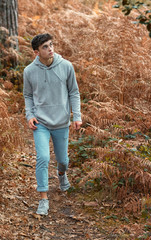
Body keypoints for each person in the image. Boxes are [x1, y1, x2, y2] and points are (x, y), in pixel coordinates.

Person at [23, 33, 82, 215]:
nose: (50, 49)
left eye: (51, 45)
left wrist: (76, 116)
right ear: (36, 52)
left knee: (62, 161)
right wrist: (29, 115)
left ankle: (62, 175)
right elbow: (28, 95)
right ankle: (43, 199)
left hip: (61, 122)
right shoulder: (29, 71)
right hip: (41, 122)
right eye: (45, 47)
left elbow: (74, 92)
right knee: (43, 158)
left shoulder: (66, 66)